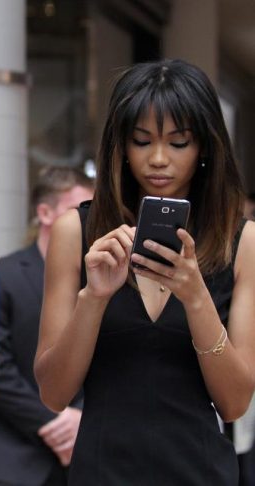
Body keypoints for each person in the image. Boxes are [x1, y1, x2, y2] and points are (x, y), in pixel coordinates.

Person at [34, 58, 255, 485]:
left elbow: (234, 403)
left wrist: (196, 298)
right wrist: (94, 298)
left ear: (204, 148)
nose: (157, 159)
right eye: (141, 140)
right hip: (101, 472)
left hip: (201, 472)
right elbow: (54, 392)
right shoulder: (76, 232)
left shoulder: (241, 241)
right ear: (121, 144)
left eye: (178, 143)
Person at [0, 166, 93, 486]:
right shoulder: (1, 274)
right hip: (9, 454)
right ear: (45, 213)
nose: (88, 222)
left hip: (83, 455)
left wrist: (82, 417)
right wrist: (56, 420)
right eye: (79, 210)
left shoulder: (101, 281)